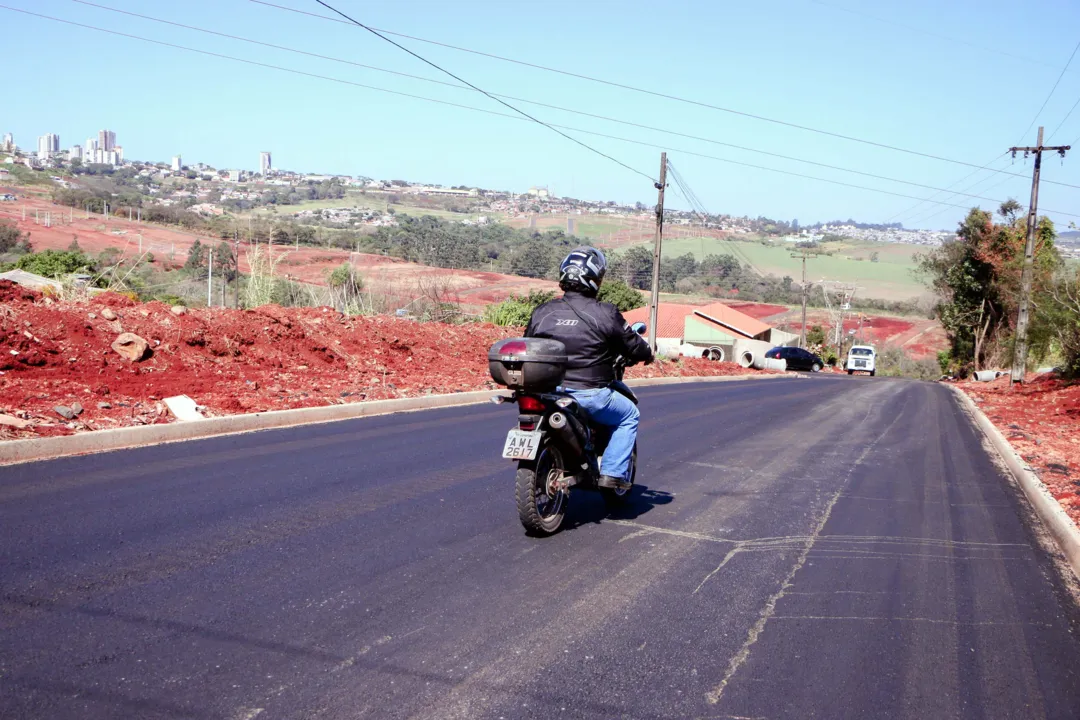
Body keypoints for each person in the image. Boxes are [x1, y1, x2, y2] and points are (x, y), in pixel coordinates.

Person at [525, 247, 653, 490]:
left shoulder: (542, 312)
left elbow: (529, 345)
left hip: (547, 392)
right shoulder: (606, 313)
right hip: (589, 393)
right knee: (629, 416)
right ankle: (612, 474)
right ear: (595, 279)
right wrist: (648, 354)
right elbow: (633, 345)